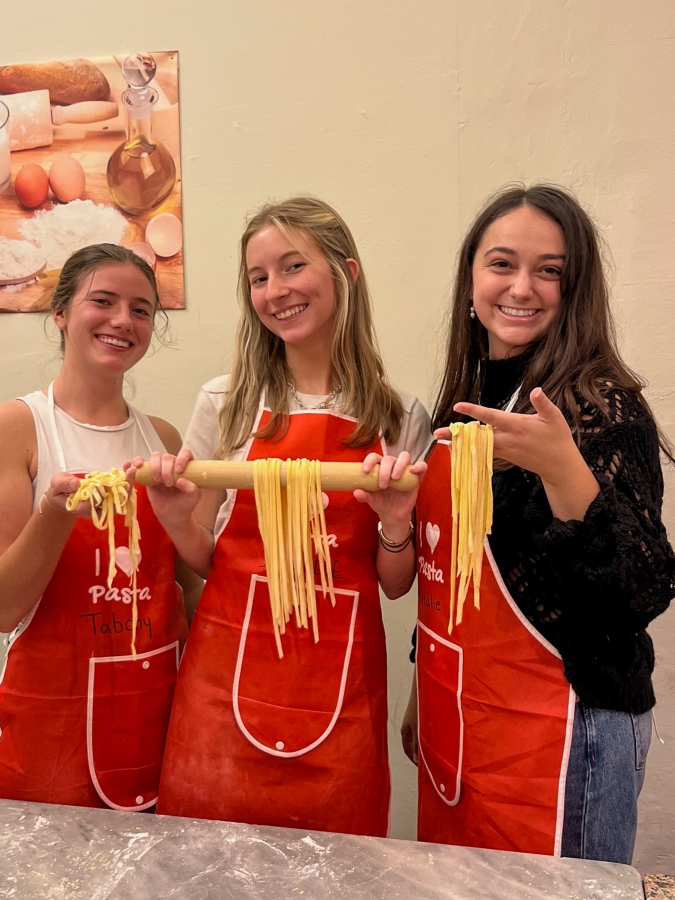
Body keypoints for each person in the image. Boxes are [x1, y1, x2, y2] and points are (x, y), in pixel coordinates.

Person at [402, 185, 675, 863]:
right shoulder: (467, 405)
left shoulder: (600, 403)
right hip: (468, 722)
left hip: (566, 737)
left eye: (550, 270)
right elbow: (454, 578)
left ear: (574, 288)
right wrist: (421, 692)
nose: (522, 286)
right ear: (471, 282)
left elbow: (642, 590)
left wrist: (566, 474)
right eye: (502, 264)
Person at [136, 197, 430, 837]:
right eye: (258, 278)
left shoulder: (397, 414)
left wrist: (395, 522)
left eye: (292, 266)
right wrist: (178, 517)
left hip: (341, 691)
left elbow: (397, 581)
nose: (275, 291)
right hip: (220, 686)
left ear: (345, 274)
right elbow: (205, 557)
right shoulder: (227, 401)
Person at [0, 243, 194, 810]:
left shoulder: (162, 440)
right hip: (52, 735)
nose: (123, 320)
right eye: (103, 301)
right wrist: (54, 515)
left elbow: (185, 594)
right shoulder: (14, 427)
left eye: (142, 309)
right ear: (61, 313)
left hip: (158, 725)